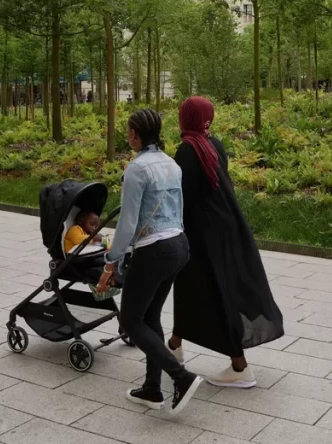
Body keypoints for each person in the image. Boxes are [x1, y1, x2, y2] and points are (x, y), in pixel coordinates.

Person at [168, 96, 284, 389]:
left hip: (204, 235)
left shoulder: (187, 150)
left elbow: (182, 197)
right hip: (225, 228)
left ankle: (240, 367)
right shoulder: (213, 144)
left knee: (214, 293)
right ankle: (174, 346)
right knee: (189, 288)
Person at [96, 109, 202, 416]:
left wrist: (110, 261)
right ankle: (152, 389)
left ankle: (181, 377)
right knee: (151, 317)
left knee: (130, 320)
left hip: (154, 250)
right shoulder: (171, 164)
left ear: (136, 134)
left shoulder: (137, 168)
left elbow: (127, 223)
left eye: (129, 131)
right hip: (179, 245)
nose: (127, 136)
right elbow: (178, 209)